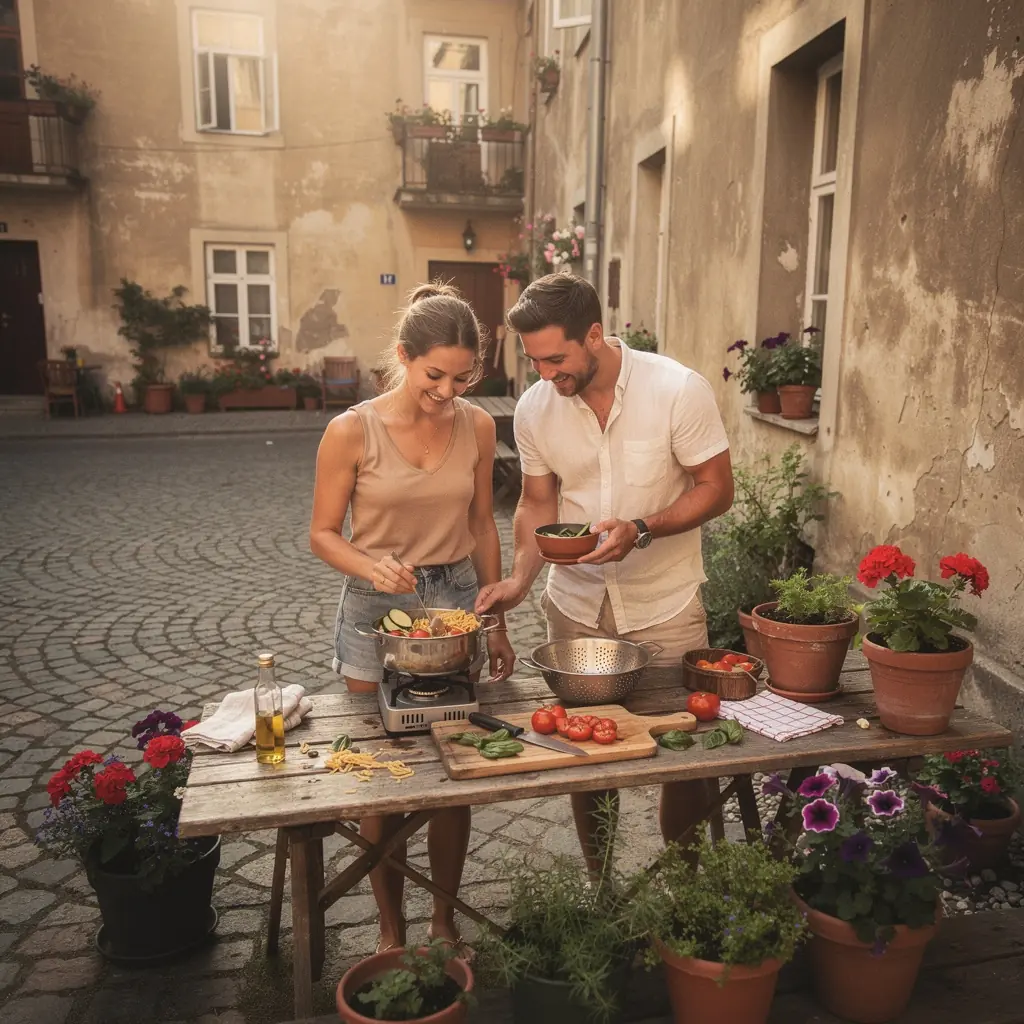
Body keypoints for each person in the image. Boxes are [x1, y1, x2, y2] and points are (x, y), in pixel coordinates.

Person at [476, 272, 733, 874]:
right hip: (575, 606)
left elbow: (716, 490)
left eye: (556, 358)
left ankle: (687, 886)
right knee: (585, 757)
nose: (545, 375)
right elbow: (537, 503)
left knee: (681, 756)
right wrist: (519, 580)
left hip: (665, 605)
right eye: (534, 360)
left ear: (594, 335)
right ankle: (600, 886)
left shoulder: (677, 390)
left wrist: (642, 527)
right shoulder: (538, 407)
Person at [310, 281, 516, 951]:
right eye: (435, 375)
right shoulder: (351, 430)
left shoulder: (479, 425)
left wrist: (498, 620)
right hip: (376, 608)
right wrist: (369, 565)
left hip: (455, 599)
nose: (448, 391)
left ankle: (444, 915)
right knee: (383, 779)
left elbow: (483, 522)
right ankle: (391, 928)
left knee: (454, 772)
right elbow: (322, 533)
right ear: (403, 356)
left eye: (463, 377)